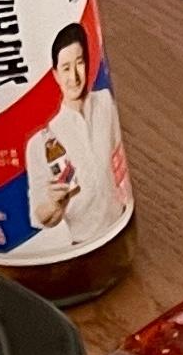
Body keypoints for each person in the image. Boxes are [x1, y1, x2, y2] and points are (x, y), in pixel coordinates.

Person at [27, 19, 125, 246]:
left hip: (120, 225)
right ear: (55, 74)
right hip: (83, 243)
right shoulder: (43, 141)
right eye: (65, 68)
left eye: (79, 63)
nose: (74, 77)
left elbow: (119, 163)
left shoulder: (105, 102)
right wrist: (54, 204)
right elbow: (43, 217)